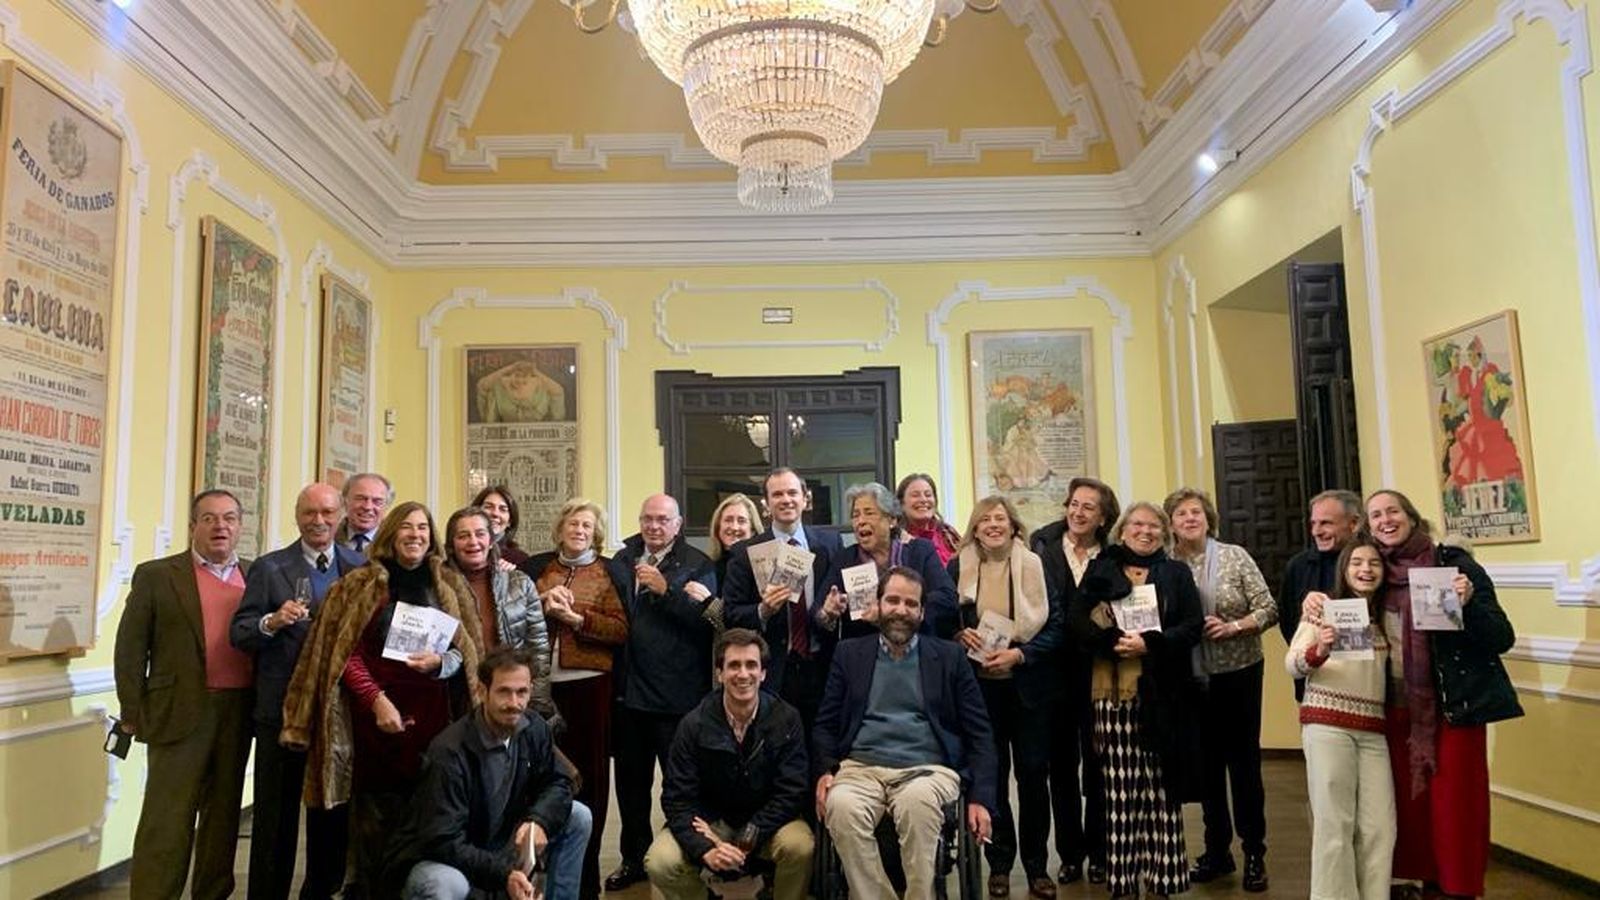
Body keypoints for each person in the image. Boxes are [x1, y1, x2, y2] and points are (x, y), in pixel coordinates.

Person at [280, 501, 485, 898]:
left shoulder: (449, 584)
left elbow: (468, 654)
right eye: (407, 527)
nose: (415, 535)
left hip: (433, 725)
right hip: (373, 725)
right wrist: (377, 700)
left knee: (425, 818)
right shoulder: (357, 584)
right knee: (371, 828)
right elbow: (342, 656)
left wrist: (442, 662)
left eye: (423, 528)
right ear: (391, 533)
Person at [1364, 489, 1520, 900]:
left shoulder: (1453, 564)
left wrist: (1467, 604)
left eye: (1392, 511)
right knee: (1407, 807)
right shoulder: (1370, 571)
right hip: (1393, 710)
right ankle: (1417, 879)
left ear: (1411, 517)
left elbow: (1502, 637)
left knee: (1457, 806)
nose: (1385, 520)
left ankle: (1459, 887)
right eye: (1376, 515)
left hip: (1454, 707)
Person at [814, 567, 996, 900]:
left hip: (928, 770)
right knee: (840, 805)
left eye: (911, 604)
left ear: (922, 612)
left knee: (917, 802)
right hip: (860, 768)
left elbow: (980, 733)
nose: (901, 610)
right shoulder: (849, 654)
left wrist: (981, 798)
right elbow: (825, 724)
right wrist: (825, 770)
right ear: (878, 604)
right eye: (893, 600)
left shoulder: (950, 657)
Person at [113, 490, 254, 900]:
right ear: (193, 527)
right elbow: (130, 648)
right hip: (177, 712)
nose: (220, 527)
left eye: (229, 518)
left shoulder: (255, 574)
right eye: (209, 519)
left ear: (240, 526)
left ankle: (212, 894)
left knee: (223, 819)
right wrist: (132, 712)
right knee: (166, 820)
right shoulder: (158, 575)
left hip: (237, 712)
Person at [230, 483, 364, 900]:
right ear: (297, 516)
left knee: (331, 816)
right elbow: (241, 632)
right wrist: (271, 621)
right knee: (275, 821)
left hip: (338, 714)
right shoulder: (270, 569)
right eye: (309, 512)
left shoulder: (359, 566)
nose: (319, 521)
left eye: (327, 512)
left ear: (341, 515)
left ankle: (319, 893)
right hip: (283, 713)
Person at [1067, 501, 1202, 900]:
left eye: (1154, 526)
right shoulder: (1101, 569)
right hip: (1110, 694)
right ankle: (1123, 880)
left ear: (1165, 533)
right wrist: (1112, 643)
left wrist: (1150, 643)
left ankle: (1163, 880)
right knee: (1120, 789)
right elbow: (1076, 619)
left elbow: (1192, 626)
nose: (1145, 531)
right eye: (1137, 525)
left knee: (1160, 788)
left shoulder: (1176, 573)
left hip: (1161, 694)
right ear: (1122, 531)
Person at [385, 646, 592, 900]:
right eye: (504, 692)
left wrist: (539, 820)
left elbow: (558, 781)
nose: (514, 703)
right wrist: (503, 873)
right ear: (482, 691)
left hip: (497, 841)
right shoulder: (449, 751)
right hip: (440, 857)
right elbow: (441, 840)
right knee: (445, 884)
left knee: (579, 817)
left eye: (522, 692)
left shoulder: (533, 727)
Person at [947, 495, 1062, 899]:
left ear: (1014, 526)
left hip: (1028, 687)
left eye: (1001, 519)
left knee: (1033, 776)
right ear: (974, 528)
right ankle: (999, 863)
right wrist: (960, 635)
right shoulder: (956, 567)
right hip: (979, 691)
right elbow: (944, 623)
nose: (993, 525)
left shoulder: (1034, 564)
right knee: (990, 780)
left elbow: (1056, 626)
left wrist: (1020, 653)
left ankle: (1035, 867)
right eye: (985, 520)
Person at [645, 628, 812, 900]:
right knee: (660, 862)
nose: (743, 674)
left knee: (800, 846)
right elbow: (677, 799)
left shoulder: (786, 719)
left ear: (764, 673)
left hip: (767, 823)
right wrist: (706, 848)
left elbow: (792, 791)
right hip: (709, 823)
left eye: (751, 665)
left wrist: (750, 834)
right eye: (733, 665)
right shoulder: (692, 725)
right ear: (719, 673)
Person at [1165, 487, 1276, 892]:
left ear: (1208, 519)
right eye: (1180, 514)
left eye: (1195, 512)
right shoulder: (1166, 563)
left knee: (1243, 766)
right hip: (1191, 680)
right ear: (1171, 523)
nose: (1189, 518)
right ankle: (1217, 851)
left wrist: (1234, 627)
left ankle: (1254, 853)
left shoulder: (1234, 556)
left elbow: (1269, 607)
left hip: (1239, 673)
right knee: (1206, 769)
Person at [518, 498, 629, 900]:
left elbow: (620, 630)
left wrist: (576, 618)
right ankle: (536, 876)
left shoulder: (608, 571)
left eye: (586, 525)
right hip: (541, 689)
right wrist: (544, 607)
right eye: (573, 523)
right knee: (541, 779)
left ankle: (583, 882)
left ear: (594, 533)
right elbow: (519, 617)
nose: (579, 530)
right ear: (560, 527)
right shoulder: (539, 568)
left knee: (590, 782)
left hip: (590, 684)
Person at [606, 493, 717, 891]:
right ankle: (634, 859)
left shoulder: (697, 564)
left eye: (662, 520)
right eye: (647, 519)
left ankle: (687, 860)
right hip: (628, 696)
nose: (654, 526)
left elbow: (707, 623)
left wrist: (665, 588)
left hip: (677, 698)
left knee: (680, 788)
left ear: (678, 523)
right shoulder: (621, 560)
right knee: (631, 789)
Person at [1288, 536, 1394, 900]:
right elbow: (1294, 664)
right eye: (1357, 563)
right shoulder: (1323, 609)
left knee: (1381, 827)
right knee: (1334, 826)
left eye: (1374, 563)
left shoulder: (1388, 616)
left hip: (1373, 731)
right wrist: (1321, 649)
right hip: (1327, 724)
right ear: (1344, 569)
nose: (1366, 570)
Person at [1030, 476, 1119, 885]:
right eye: (1074, 504)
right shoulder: (1042, 544)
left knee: (1100, 764)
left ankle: (1101, 852)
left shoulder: (1113, 555)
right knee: (1060, 767)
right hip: (1050, 671)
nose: (1078, 513)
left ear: (1103, 517)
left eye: (1088, 508)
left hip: (1099, 670)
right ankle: (1069, 855)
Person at [723, 467, 844, 729]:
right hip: (773, 668)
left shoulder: (831, 544)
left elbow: (838, 600)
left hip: (820, 664)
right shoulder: (745, 552)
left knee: (819, 747)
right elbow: (730, 614)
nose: (786, 499)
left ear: (805, 498)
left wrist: (832, 612)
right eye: (777, 494)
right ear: (766, 504)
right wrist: (763, 610)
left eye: (792, 492)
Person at [442, 505, 556, 723]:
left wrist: (536, 705)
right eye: (463, 536)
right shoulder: (438, 587)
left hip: (510, 698)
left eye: (480, 534)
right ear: (451, 544)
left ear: (491, 540)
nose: (473, 542)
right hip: (457, 701)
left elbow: (538, 649)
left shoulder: (520, 583)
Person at [816, 482, 957, 646]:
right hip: (864, 656)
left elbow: (947, 599)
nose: (860, 521)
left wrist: (892, 610)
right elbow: (817, 613)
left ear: (891, 520)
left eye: (869, 513)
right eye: (855, 515)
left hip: (918, 649)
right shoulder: (845, 559)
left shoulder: (920, 551)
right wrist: (827, 612)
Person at [1278, 490, 1364, 702]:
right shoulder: (1297, 566)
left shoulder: (1370, 562)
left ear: (1353, 524)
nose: (1317, 531)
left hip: (1364, 682)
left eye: (1326, 523)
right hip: (1314, 683)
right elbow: (1288, 622)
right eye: (1313, 524)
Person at [696, 492, 763, 634]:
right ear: (718, 527)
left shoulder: (762, 568)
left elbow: (742, 620)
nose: (734, 527)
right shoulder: (706, 568)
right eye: (728, 520)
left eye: (741, 520)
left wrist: (710, 603)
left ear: (752, 530)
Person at [896, 472, 962, 567]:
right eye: (915, 495)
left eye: (928, 495)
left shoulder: (948, 534)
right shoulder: (896, 539)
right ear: (902, 503)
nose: (923, 500)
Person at [473, 484, 531, 567]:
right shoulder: (463, 552)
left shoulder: (520, 560)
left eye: (503, 509)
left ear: (510, 521)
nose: (495, 513)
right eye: (488, 507)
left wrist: (515, 575)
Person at [338, 472, 392, 555]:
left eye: (377, 501)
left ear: (387, 506)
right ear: (345, 501)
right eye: (360, 498)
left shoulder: (394, 543)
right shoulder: (328, 537)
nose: (368, 507)